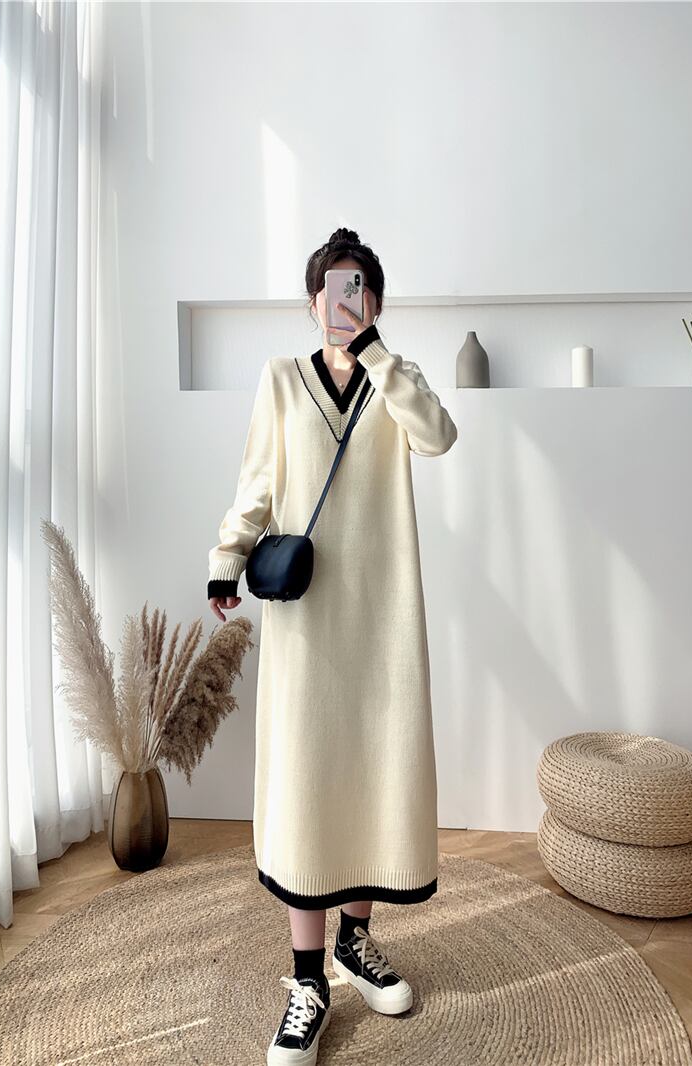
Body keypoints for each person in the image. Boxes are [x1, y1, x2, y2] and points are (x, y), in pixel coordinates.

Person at [207, 228, 458, 1064]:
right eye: (332, 287)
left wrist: (378, 352)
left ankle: (356, 942)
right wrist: (225, 560)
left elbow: (439, 436)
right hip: (309, 625)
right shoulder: (281, 379)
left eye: (359, 287)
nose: (344, 300)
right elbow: (256, 485)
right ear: (312, 300)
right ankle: (308, 980)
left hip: (383, 624)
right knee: (309, 785)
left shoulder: (396, 378)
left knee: (374, 776)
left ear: (374, 300)